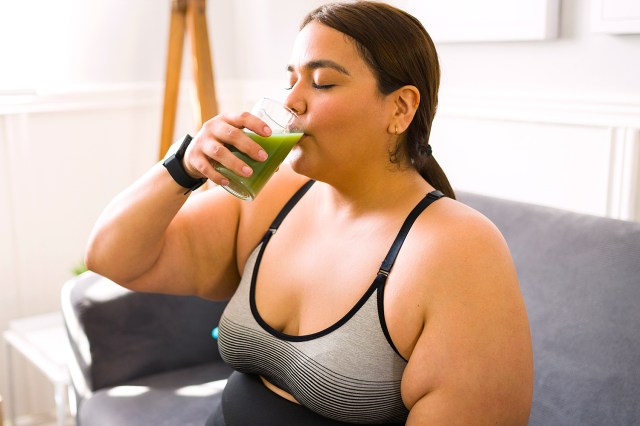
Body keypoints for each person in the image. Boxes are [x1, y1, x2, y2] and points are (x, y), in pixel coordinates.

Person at [85, 1, 533, 424]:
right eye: (290, 80)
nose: (291, 103)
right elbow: (112, 257)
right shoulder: (273, 196)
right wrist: (183, 167)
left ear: (400, 108)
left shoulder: (457, 249)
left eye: (321, 83)